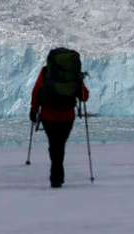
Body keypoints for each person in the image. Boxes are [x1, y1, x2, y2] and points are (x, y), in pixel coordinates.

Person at [30, 48, 89, 188]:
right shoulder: (73, 74)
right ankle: (57, 174)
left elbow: (37, 90)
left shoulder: (46, 72)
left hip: (48, 115)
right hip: (67, 116)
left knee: (54, 144)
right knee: (59, 144)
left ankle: (56, 175)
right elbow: (84, 96)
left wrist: (33, 109)